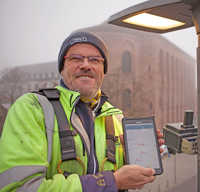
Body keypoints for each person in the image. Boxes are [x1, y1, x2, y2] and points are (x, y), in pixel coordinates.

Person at [0, 31, 164, 192]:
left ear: (103, 71)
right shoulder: (32, 108)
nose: (86, 65)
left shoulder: (115, 116)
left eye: (95, 60)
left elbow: (119, 175)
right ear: (62, 68)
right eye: (76, 58)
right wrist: (111, 182)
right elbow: (20, 187)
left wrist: (132, 158)